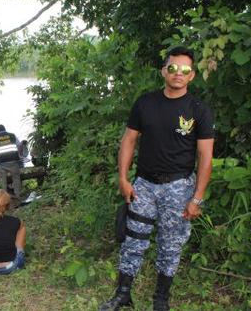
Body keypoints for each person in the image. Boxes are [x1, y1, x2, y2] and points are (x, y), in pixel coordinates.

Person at [99, 46, 214, 311]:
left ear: (192, 75)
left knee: (171, 245)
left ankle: (161, 301)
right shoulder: (145, 103)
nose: (178, 74)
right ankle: (123, 294)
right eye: (173, 68)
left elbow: (205, 156)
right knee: (133, 239)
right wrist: (124, 179)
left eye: (185, 70)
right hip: (144, 186)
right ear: (164, 71)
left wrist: (197, 197)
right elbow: (129, 141)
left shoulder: (198, 110)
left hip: (179, 186)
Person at [0, 124, 22, 198]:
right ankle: (17, 194)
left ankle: (4, 197)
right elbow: (19, 145)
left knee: (3, 181)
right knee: (16, 178)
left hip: (1, 162)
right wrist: (19, 155)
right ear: (5, 128)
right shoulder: (12, 135)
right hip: (13, 160)